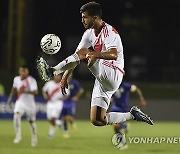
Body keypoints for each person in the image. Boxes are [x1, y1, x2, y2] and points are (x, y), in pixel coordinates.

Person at [52, 2, 153, 127]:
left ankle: (54, 70)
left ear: (95, 18)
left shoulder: (109, 31)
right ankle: (132, 114)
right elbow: (76, 57)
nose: (82, 20)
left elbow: (113, 54)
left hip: (114, 72)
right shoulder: (88, 34)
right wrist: (65, 77)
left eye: (85, 17)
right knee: (98, 119)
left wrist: (95, 54)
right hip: (102, 79)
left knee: (86, 53)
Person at [7, 66, 38, 147]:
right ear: (19, 72)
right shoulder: (16, 79)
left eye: (24, 71)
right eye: (21, 71)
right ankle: (18, 135)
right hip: (20, 102)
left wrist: (24, 91)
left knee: (31, 122)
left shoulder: (31, 80)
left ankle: (34, 137)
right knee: (16, 115)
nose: (23, 73)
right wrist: (10, 98)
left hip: (30, 104)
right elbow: (14, 89)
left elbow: (35, 92)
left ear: (27, 72)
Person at [110, 81, 147, 149]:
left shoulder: (126, 85)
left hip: (123, 108)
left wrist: (141, 99)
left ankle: (124, 128)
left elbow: (136, 89)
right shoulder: (113, 85)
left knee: (116, 126)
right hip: (115, 108)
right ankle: (122, 141)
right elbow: (111, 96)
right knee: (116, 127)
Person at [60, 74, 84, 138]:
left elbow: (81, 90)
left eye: (70, 74)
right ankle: (66, 132)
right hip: (64, 102)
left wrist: (76, 97)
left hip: (71, 102)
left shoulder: (74, 82)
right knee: (64, 117)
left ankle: (72, 123)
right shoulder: (63, 81)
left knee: (68, 117)